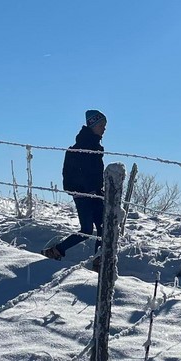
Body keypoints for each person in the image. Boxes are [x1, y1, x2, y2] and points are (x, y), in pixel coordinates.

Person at [43, 109, 107, 267]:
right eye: (101, 125)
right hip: (83, 196)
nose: (104, 129)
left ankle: (99, 262)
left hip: (96, 194)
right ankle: (57, 250)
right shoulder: (78, 149)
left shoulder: (96, 148)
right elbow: (70, 174)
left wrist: (99, 189)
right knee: (86, 230)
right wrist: (82, 190)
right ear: (92, 125)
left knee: (103, 229)